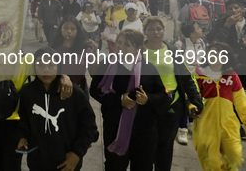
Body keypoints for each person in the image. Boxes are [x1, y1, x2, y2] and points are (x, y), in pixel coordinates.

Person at [90, 29, 169, 171]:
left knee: (142, 166)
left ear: (138, 48)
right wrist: (119, 99)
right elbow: (95, 90)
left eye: (127, 44)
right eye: (119, 42)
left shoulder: (148, 68)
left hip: (143, 132)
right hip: (114, 129)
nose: (120, 47)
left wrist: (147, 99)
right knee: (114, 166)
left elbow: (163, 96)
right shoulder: (108, 64)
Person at [17, 47, 98, 171]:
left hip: (67, 160)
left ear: (58, 66)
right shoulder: (28, 92)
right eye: (40, 64)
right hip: (38, 161)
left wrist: (77, 153)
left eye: (51, 64)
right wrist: (23, 136)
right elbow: (23, 119)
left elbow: (89, 127)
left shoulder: (73, 93)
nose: (46, 69)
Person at [142, 16, 203, 171]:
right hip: (146, 103)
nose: (155, 32)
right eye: (151, 29)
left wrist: (196, 100)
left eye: (159, 29)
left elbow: (185, 76)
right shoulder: (138, 50)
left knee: (166, 146)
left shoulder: (172, 50)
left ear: (163, 31)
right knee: (145, 147)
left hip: (171, 104)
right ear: (145, 32)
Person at [193, 42, 246, 171]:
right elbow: (190, 95)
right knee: (210, 161)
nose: (213, 56)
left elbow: (242, 104)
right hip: (205, 124)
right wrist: (191, 107)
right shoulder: (198, 74)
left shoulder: (232, 77)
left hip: (229, 125)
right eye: (210, 53)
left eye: (217, 53)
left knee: (234, 157)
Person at [52, 16, 97, 90]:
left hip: (79, 89)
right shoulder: (53, 49)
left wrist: (94, 53)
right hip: (58, 88)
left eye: (73, 29)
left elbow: (93, 73)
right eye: (66, 28)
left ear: (77, 31)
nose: (69, 31)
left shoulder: (85, 49)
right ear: (60, 29)